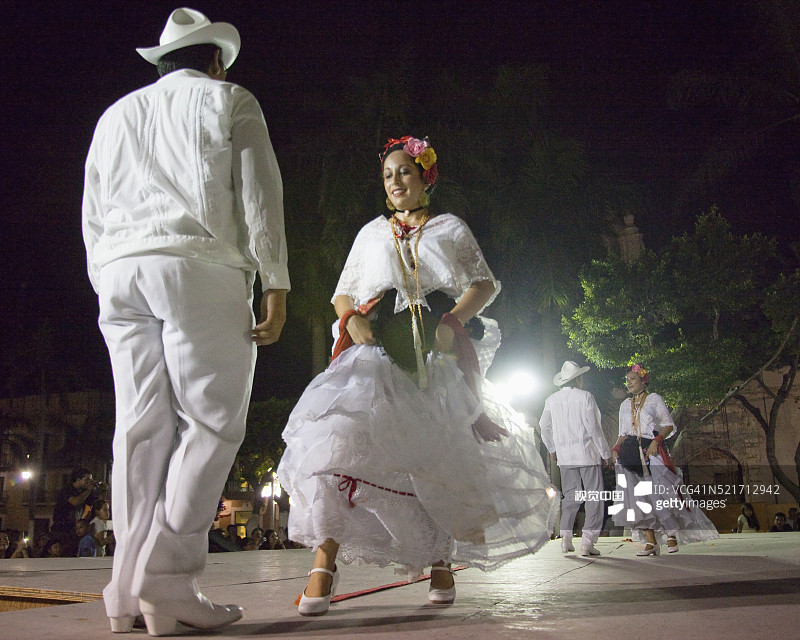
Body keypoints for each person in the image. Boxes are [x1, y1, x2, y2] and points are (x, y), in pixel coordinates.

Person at [278, 135, 556, 617]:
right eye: (388, 175)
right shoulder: (370, 233)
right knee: (341, 444)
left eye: (404, 171)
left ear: (425, 175)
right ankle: (324, 564)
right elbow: (343, 293)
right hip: (372, 354)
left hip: (431, 358)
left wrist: (453, 323)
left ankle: (440, 560)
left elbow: (483, 283)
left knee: (435, 455)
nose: (395, 181)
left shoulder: (449, 227)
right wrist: (351, 320)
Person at [82, 8, 289, 636]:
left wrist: (105, 277)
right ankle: (168, 576)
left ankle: (125, 591)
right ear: (216, 60)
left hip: (119, 272)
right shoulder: (231, 99)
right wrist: (275, 280)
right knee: (213, 420)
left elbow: (92, 211)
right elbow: (258, 193)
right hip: (197, 267)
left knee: (138, 429)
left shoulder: (115, 113)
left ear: (164, 61)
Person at [610, 364, 718, 555]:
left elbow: (668, 425)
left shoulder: (654, 399)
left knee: (660, 494)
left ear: (643, 380)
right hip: (630, 454)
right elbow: (623, 433)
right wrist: (615, 449)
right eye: (627, 380)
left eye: (632, 379)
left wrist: (656, 441)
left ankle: (671, 534)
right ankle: (651, 542)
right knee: (637, 499)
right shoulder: (624, 405)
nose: (629, 383)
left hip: (651, 450)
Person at [540, 361, 611, 556]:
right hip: (587, 454)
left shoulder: (551, 400)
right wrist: (605, 453)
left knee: (570, 497)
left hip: (565, 457)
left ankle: (566, 539)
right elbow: (594, 429)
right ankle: (588, 542)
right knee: (593, 497)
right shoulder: (586, 397)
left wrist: (552, 448)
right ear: (578, 379)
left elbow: (543, 425)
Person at [52, 468, 101, 546]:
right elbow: (75, 502)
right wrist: (89, 490)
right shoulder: (67, 490)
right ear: (78, 480)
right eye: (87, 479)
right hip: (62, 529)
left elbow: (92, 505)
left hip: (76, 530)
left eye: (91, 480)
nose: (89, 482)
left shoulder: (85, 492)